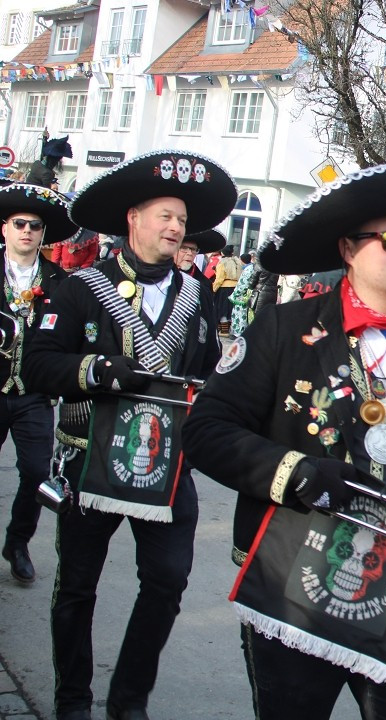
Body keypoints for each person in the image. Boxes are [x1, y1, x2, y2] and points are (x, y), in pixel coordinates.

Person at [183, 160, 386, 720]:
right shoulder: (284, 329)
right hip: (297, 579)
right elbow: (206, 431)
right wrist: (295, 472)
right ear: (349, 250)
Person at [24, 149, 233, 720]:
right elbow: (38, 364)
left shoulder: (200, 294)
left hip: (168, 467)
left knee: (167, 583)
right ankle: (73, 699)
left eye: (183, 222)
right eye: (165, 216)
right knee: (77, 588)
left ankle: (129, 699)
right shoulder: (79, 288)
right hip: (91, 458)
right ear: (133, 219)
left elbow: (208, 367)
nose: (175, 229)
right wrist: (93, 370)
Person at [0, 183, 77, 584]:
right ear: (5, 229)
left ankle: (17, 542)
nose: (26, 230)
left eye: (34, 225)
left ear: (43, 234)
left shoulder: (59, 282)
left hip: (33, 396)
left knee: (34, 471)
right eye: (19, 224)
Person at [175, 229, 226, 295]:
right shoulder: (160, 275)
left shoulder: (204, 285)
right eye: (184, 248)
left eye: (193, 249)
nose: (190, 253)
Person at [212, 245, 242, 335]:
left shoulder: (222, 262)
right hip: (235, 287)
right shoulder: (237, 261)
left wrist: (213, 289)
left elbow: (220, 278)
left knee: (222, 309)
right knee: (231, 309)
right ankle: (229, 329)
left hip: (224, 287)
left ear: (222, 253)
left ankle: (224, 331)